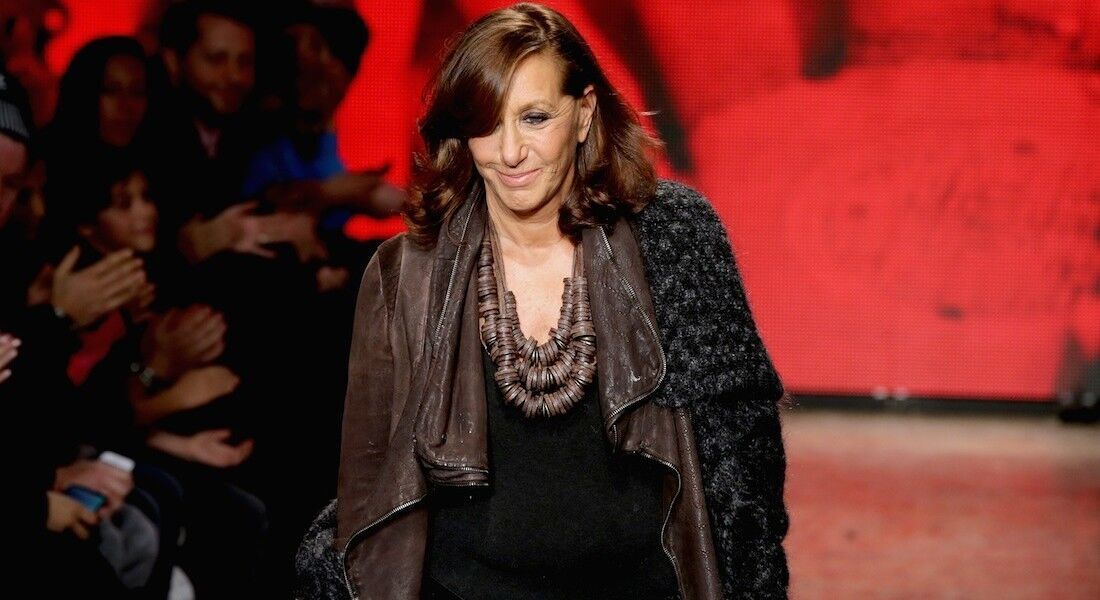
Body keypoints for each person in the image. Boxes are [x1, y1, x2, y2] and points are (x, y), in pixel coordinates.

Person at [298, 3, 789, 599]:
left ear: (583, 114)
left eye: (534, 118)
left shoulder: (673, 239)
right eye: (487, 122)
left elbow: (743, 462)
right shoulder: (407, 275)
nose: (509, 152)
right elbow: (372, 486)